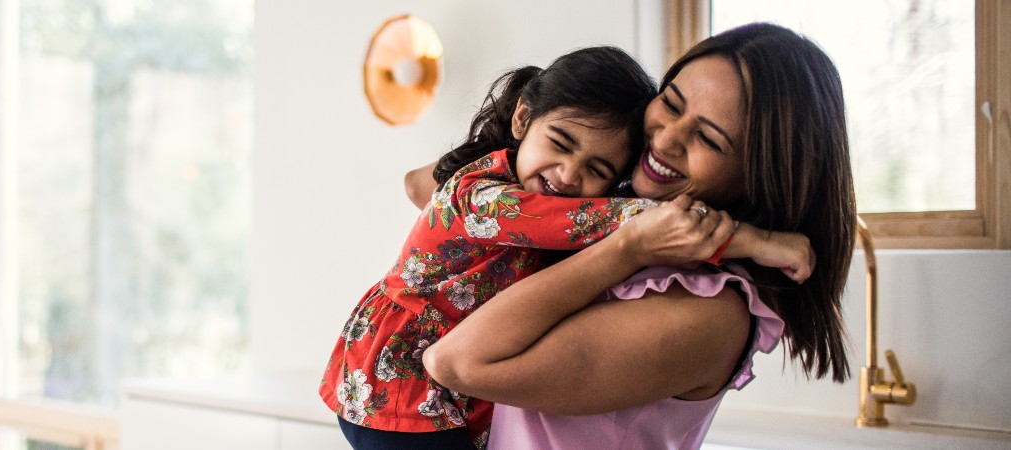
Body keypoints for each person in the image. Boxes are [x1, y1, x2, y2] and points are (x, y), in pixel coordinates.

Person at [320, 46, 812, 450]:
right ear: (524, 119)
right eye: (672, 103)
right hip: (395, 383)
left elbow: (459, 360)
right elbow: (422, 185)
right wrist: (753, 239)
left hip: (426, 388)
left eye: (708, 136)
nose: (666, 138)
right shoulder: (511, 197)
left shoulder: (706, 311)